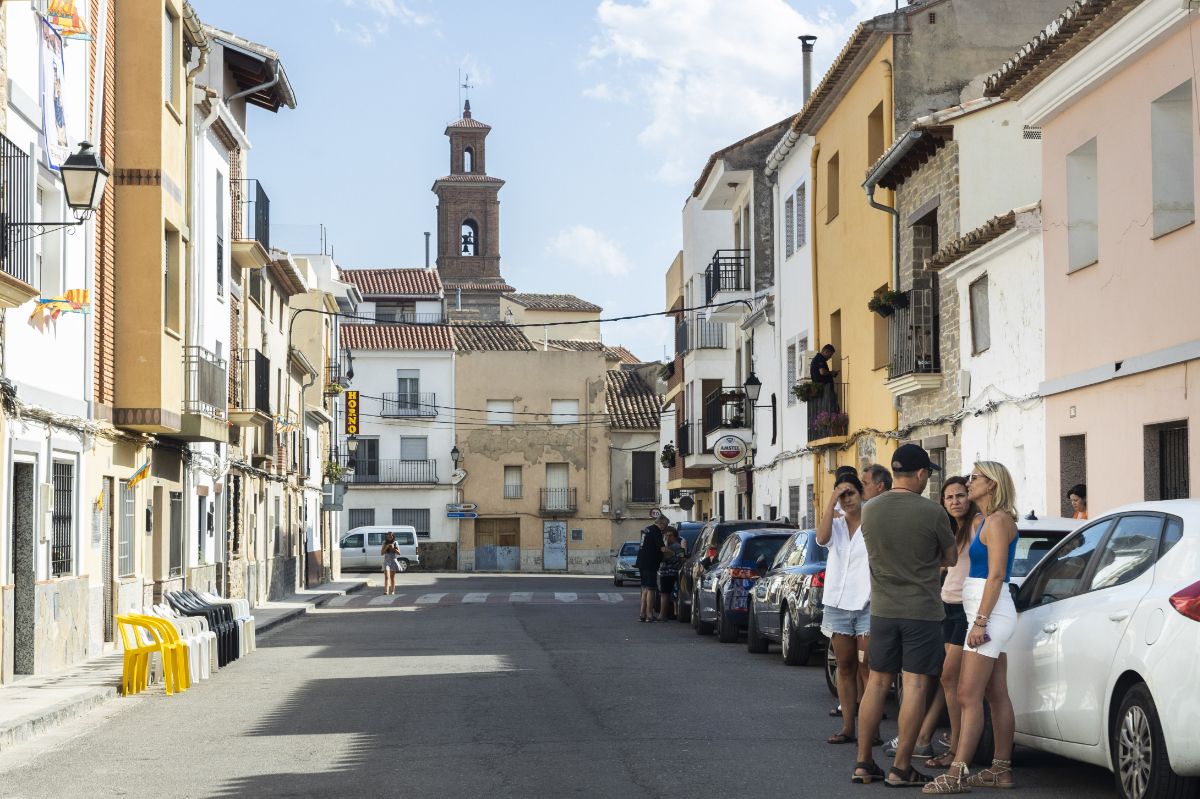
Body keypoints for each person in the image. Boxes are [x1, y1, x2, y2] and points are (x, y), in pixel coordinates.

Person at [853, 444, 957, 787]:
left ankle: (863, 762)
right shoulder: (932, 512)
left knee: (877, 683)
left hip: (882, 610)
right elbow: (951, 557)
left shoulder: (870, 510)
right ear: (922, 474)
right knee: (913, 685)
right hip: (921, 612)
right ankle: (900, 768)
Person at [924, 462, 1020, 794]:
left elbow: (995, 576)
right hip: (984, 610)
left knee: (967, 694)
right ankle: (1000, 770)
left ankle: (957, 773)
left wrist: (980, 622)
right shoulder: (985, 520)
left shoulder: (997, 521)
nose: (970, 482)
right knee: (995, 694)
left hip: (989, 613)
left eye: (975, 478)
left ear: (992, 484)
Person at [908, 476, 979, 768]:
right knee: (949, 680)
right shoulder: (953, 529)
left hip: (967, 608)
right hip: (946, 606)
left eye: (960, 495)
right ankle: (953, 740)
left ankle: (958, 747)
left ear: (969, 497)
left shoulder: (977, 525)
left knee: (951, 678)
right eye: (949, 498)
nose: (955, 502)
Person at [817, 474, 872, 746]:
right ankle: (848, 727)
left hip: (867, 604)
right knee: (845, 666)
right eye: (842, 495)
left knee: (867, 666)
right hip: (838, 605)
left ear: (861, 493)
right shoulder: (836, 526)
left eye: (851, 493)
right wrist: (831, 500)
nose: (847, 499)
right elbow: (821, 537)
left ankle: (869, 730)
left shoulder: (873, 524)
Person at [636, 516, 667, 622]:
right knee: (651, 589)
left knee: (644, 588)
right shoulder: (656, 531)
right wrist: (673, 553)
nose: (665, 528)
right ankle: (649, 614)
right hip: (650, 563)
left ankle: (642, 614)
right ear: (661, 524)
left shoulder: (646, 529)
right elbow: (662, 548)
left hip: (641, 562)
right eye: (665, 525)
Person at [657, 527, 685, 620]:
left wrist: (671, 553)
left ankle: (662, 615)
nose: (669, 538)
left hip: (671, 573)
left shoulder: (677, 546)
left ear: (675, 536)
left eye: (670, 535)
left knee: (665, 594)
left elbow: (682, 558)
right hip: (664, 572)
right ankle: (668, 613)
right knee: (665, 594)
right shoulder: (665, 546)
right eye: (666, 535)